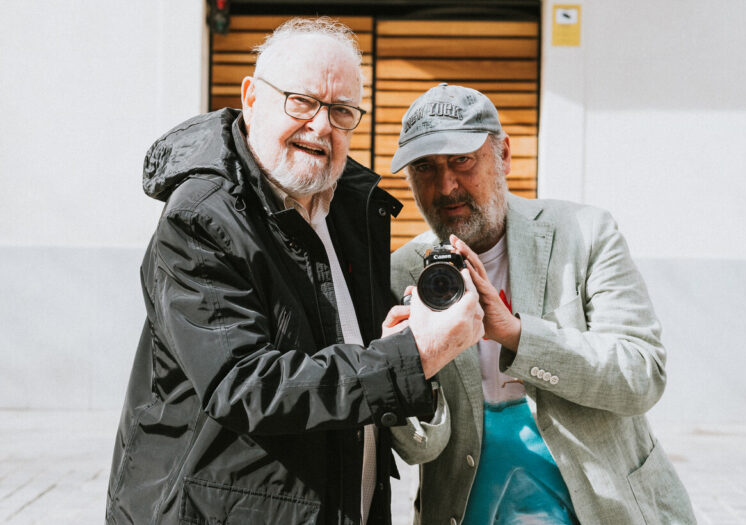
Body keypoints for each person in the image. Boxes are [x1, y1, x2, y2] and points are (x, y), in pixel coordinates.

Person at [105, 21, 484, 525]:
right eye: (302, 101)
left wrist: (396, 339)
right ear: (253, 98)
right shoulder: (202, 216)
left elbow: (345, 352)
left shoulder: (354, 206)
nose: (321, 126)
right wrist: (413, 356)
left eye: (342, 111)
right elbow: (243, 384)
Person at [385, 84, 696, 525]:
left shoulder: (585, 235)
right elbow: (419, 448)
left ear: (504, 154)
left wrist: (515, 334)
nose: (446, 185)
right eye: (424, 168)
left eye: (462, 160)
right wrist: (407, 369)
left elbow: (642, 376)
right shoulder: (402, 274)